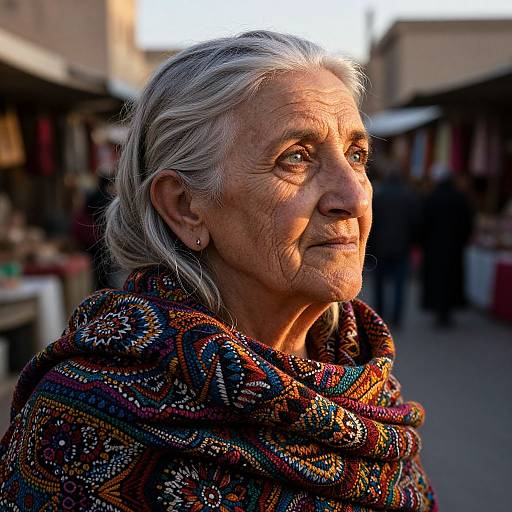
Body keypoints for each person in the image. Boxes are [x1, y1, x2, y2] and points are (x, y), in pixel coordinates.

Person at [0, 32, 436, 511]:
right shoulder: (85, 419)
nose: (353, 197)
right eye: (296, 157)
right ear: (185, 206)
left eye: (357, 155)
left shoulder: (364, 383)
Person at [420, 163, 473, 327]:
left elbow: (423, 223)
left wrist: (424, 242)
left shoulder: (431, 197)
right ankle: (447, 312)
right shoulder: (460, 198)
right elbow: (468, 223)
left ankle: (438, 311)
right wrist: (462, 241)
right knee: (451, 278)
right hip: (454, 248)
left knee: (437, 279)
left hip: (434, 248)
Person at [369, 159, 420, 327]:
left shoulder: (379, 194)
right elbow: (415, 223)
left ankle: (379, 317)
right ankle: (397, 318)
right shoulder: (409, 196)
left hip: (380, 248)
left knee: (379, 284)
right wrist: (412, 243)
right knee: (400, 285)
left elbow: (371, 223)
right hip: (402, 248)